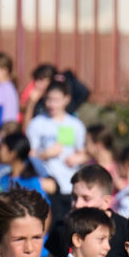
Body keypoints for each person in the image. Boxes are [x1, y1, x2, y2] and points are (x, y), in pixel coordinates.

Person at [26, 80, 88, 214]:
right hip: (47, 186)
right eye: (49, 99)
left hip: (69, 185)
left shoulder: (75, 124)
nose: (52, 104)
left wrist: (77, 159)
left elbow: (84, 153)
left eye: (56, 100)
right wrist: (45, 155)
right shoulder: (37, 123)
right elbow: (29, 153)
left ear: (66, 99)